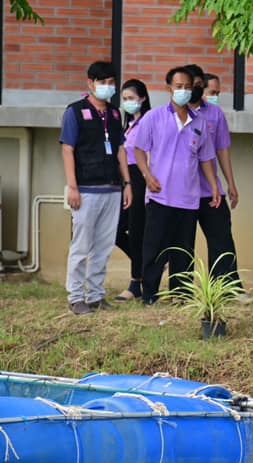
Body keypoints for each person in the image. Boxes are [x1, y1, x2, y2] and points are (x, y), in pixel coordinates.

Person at [134, 66, 220, 305]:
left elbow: (205, 158)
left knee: (183, 250)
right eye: (178, 86)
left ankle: (181, 295)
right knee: (154, 248)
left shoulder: (200, 122)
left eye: (187, 87)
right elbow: (139, 149)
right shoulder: (154, 117)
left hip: (188, 198)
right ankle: (149, 295)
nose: (183, 91)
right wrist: (147, 175)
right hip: (160, 195)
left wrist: (214, 185)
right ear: (169, 88)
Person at [59, 61, 133, 315]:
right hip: (86, 189)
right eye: (102, 82)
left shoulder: (115, 114)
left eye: (111, 82)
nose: (107, 87)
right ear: (90, 83)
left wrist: (127, 184)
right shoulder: (75, 112)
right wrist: (72, 187)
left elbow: (121, 149)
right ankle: (76, 296)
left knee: (104, 245)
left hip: (112, 188)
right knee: (81, 246)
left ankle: (95, 295)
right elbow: (67, 149)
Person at [185, 64, 245, 296]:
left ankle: (227, 287)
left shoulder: (214, 113)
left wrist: (231, 183)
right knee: (183, 243)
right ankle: (183, 291)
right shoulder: (174, 112)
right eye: (212, 91)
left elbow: (222, 149)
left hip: (211, 191)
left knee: (221, 237)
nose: (211, 95)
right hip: (182, 192)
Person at [114, 78, 151, 302]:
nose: (128, 102)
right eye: (125, 99)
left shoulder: (148, 121)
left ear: (143, 98)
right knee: (116, 230)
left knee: (137, 231)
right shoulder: (128, 125)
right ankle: (147, 263)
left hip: (139, 178)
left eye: (132, 98)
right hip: (125, 179)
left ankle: (136, 282)